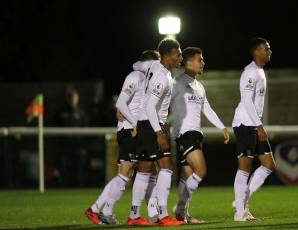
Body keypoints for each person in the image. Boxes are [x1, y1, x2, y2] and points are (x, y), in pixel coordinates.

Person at [84, 50, 159, 225]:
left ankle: (101, 210)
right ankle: (99, 210)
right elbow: (121, 103)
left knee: (128, 173)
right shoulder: (135, 76)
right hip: (129, 131)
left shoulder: (146, 79)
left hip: (133, 130)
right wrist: (135, 124)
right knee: (126, 174)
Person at [170, 47, 230, 223]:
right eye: (200, 59)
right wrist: (160, 122)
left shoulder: (199, 86)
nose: (203, 63)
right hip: (185, 134)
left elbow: (207, 108)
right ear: (188, 62)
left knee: (186, 176)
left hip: (196, 134)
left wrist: (221, 127)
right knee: (201, 170)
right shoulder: (176, 83)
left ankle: (183, 215)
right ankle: (180, 207)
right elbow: (162, 102)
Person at [134, 38, 184, 226]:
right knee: (166, 168)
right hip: (150, 125)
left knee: (145, 170)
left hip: (148, 123)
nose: (180, 57)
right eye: (178, 53)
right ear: (168, 55)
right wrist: (158, 132)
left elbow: (138, 64)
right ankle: (162, 215)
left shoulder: (160, 70)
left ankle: (136, 215)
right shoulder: (162, 76)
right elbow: (149, 106)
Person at [232, 37, 276, 221]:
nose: (270, 51)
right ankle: (240, 213)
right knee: (245, 168)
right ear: (257, 52)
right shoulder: (250, 72)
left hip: (253, 123)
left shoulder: (259, 71)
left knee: (269, 164)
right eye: (267, 49)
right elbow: (247, 101)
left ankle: (241, 201)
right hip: (245, 124)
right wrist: (259, 126)